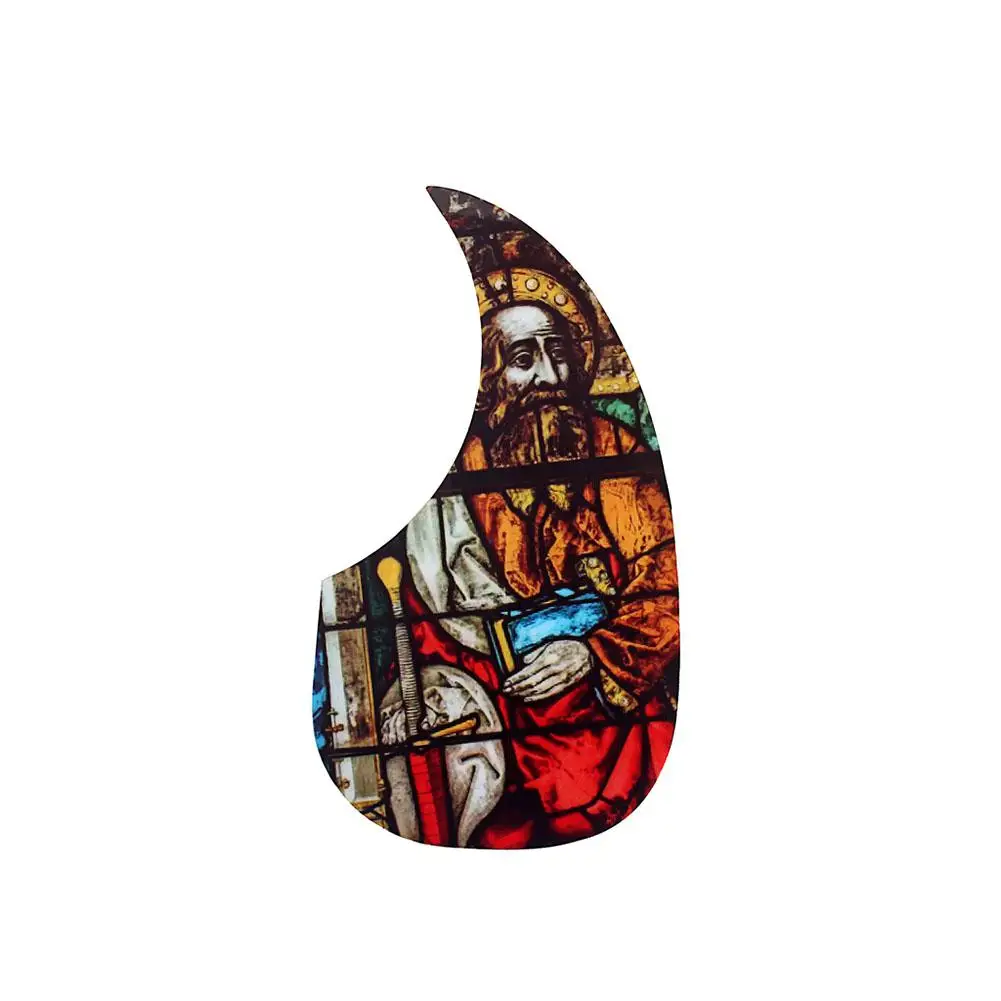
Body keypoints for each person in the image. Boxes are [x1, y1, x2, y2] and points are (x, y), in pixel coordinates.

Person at [385, 298, 679, 847]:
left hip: (616, 721)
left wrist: (594, 652)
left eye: (559, 353)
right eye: (524, 359)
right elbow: (430, 628)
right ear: (487, 383)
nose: (550, 375)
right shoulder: (450, 484)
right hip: (499, 725)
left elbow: (670, 582)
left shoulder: (615, 451)